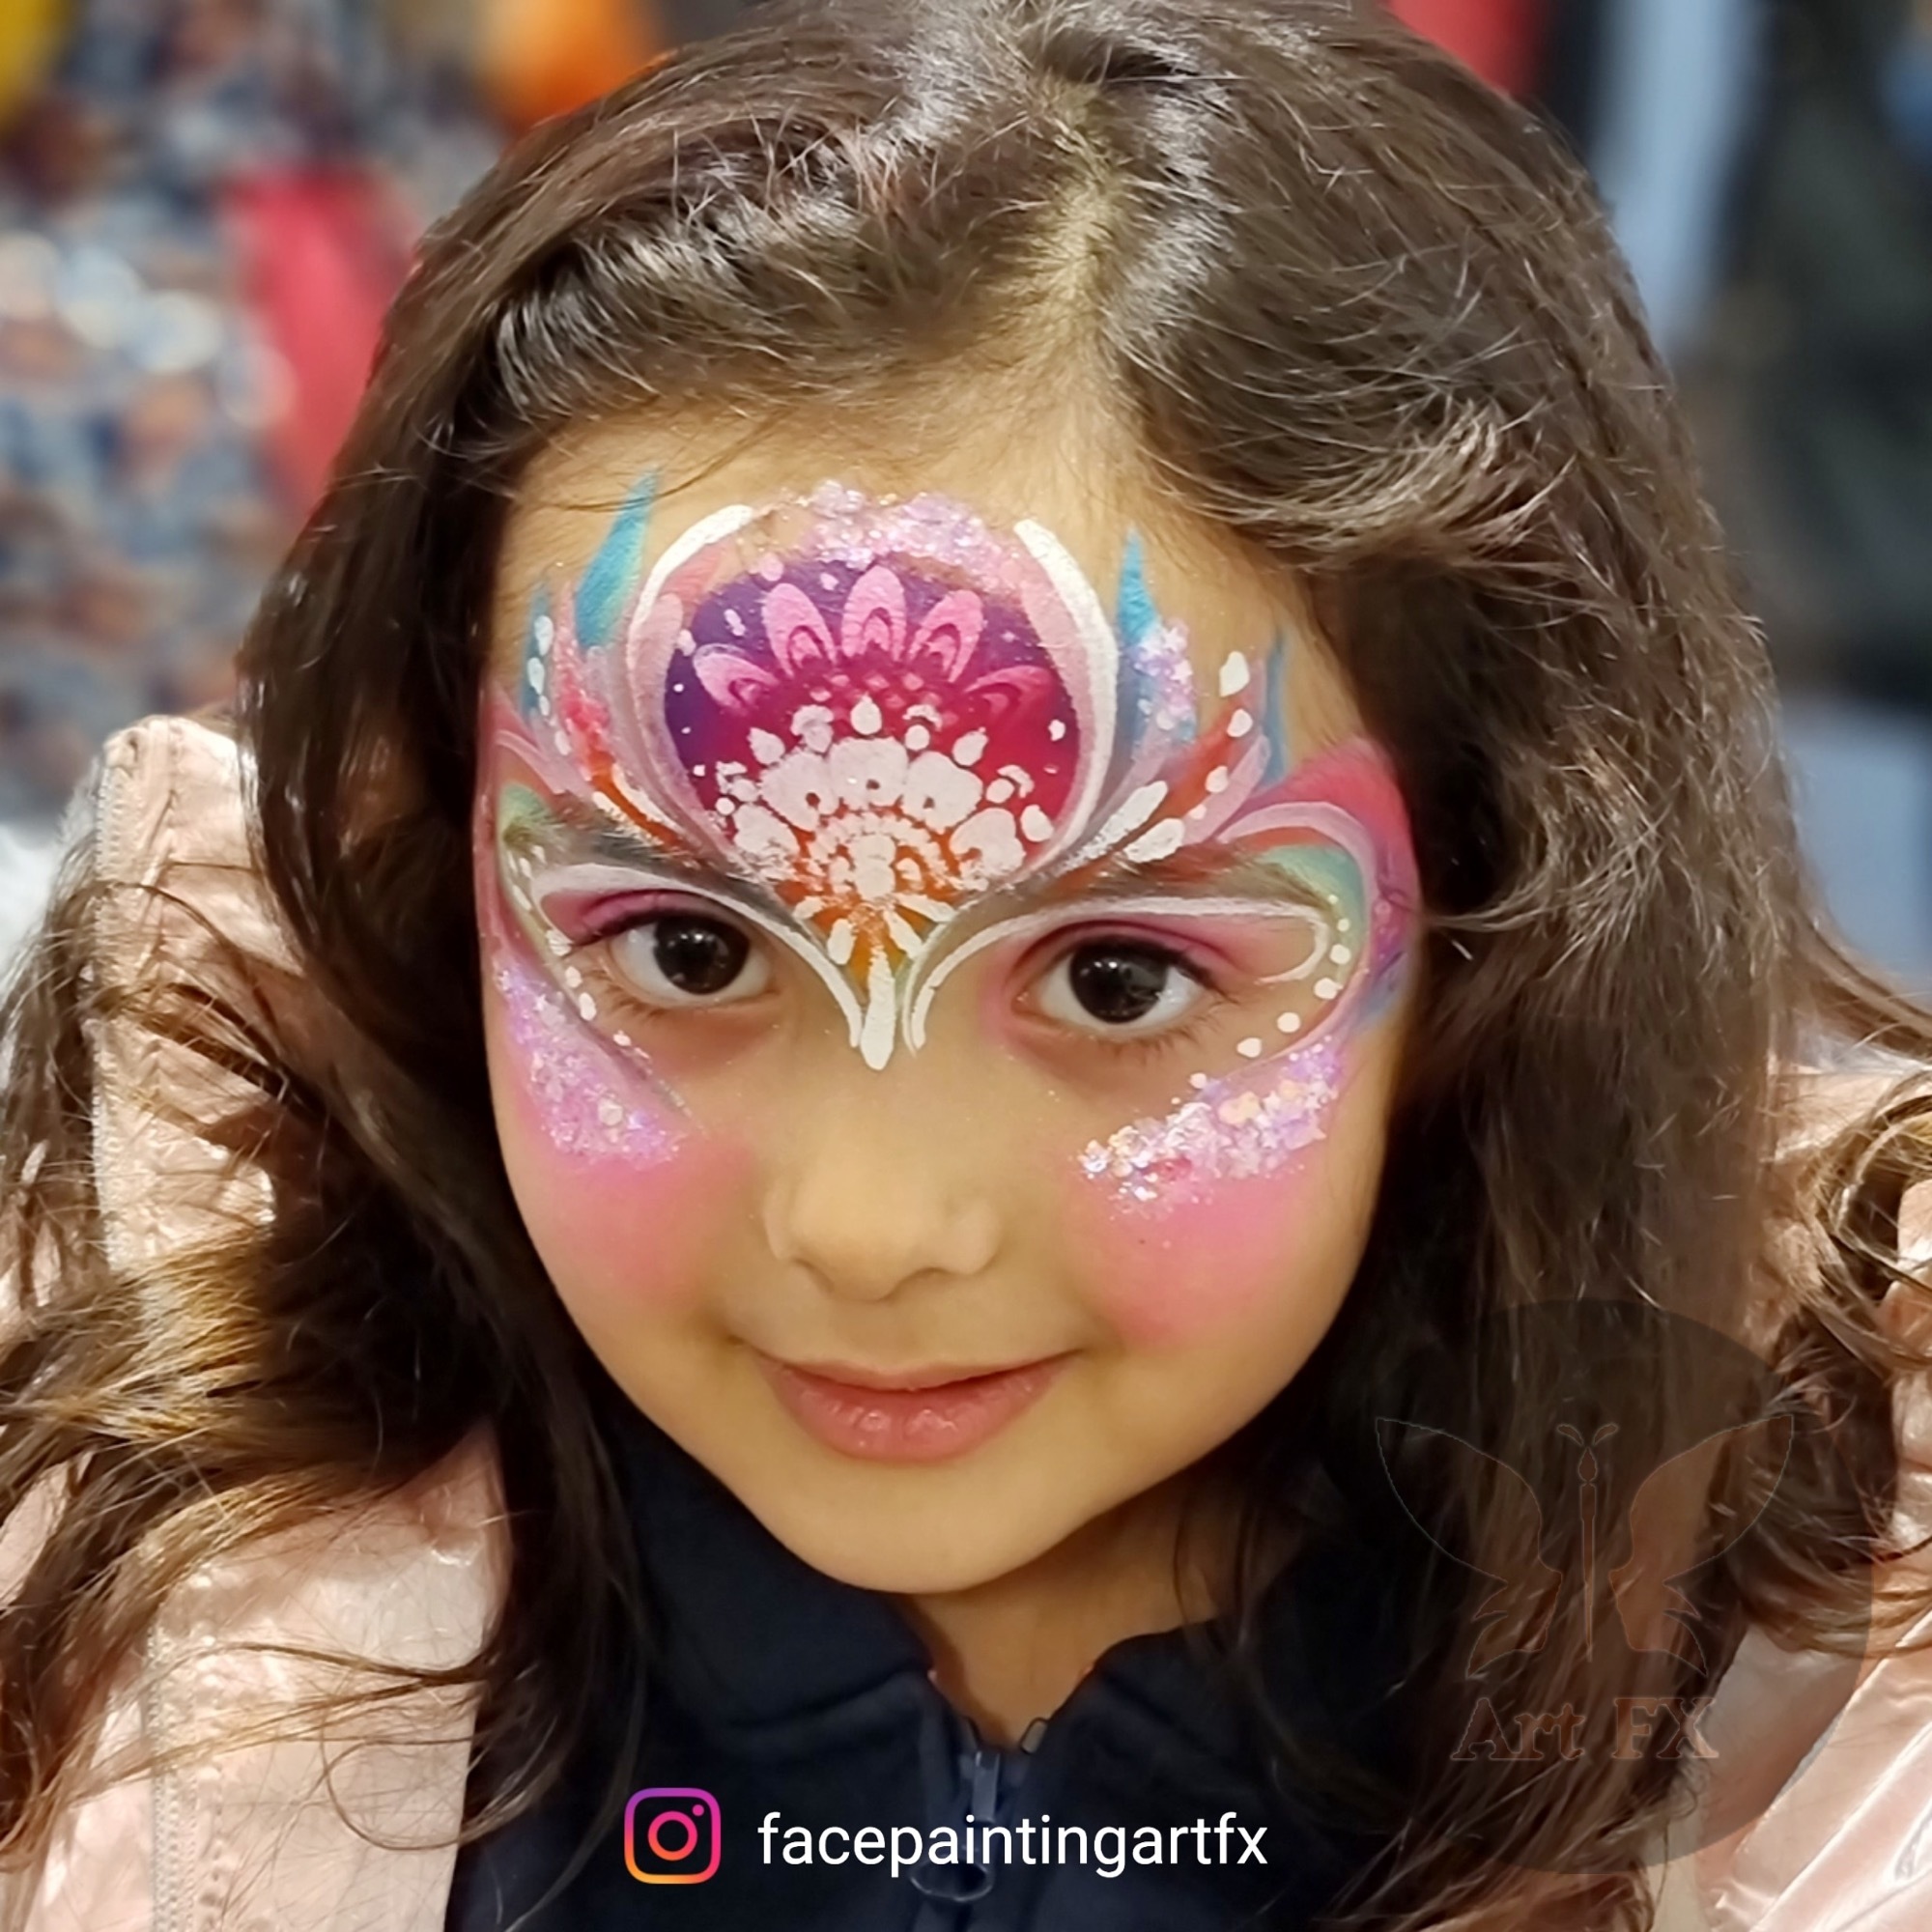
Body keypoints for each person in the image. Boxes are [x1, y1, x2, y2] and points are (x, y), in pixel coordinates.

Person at [2, 3, 1931, 1927]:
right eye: (683, 945)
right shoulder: (160, 1552)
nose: (869, 1219)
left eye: (1115, 978)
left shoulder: (1827, 1676)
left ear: (1488, 908)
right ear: (457, 876)